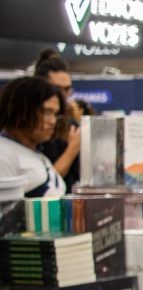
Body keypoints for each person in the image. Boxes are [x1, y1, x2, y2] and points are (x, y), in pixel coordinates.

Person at [0, 76, 66, 197]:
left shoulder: (34, 153)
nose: (53, 121)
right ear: (20, 110)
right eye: (47, 112)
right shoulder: (4, 154)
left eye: (56, 114)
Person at [33, 50, 81, 188]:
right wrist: (72, 148)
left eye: (67, 90)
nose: (62, 95)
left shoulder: (69, 123)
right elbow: (46, 182)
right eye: (57, 89)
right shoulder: (33, 128)